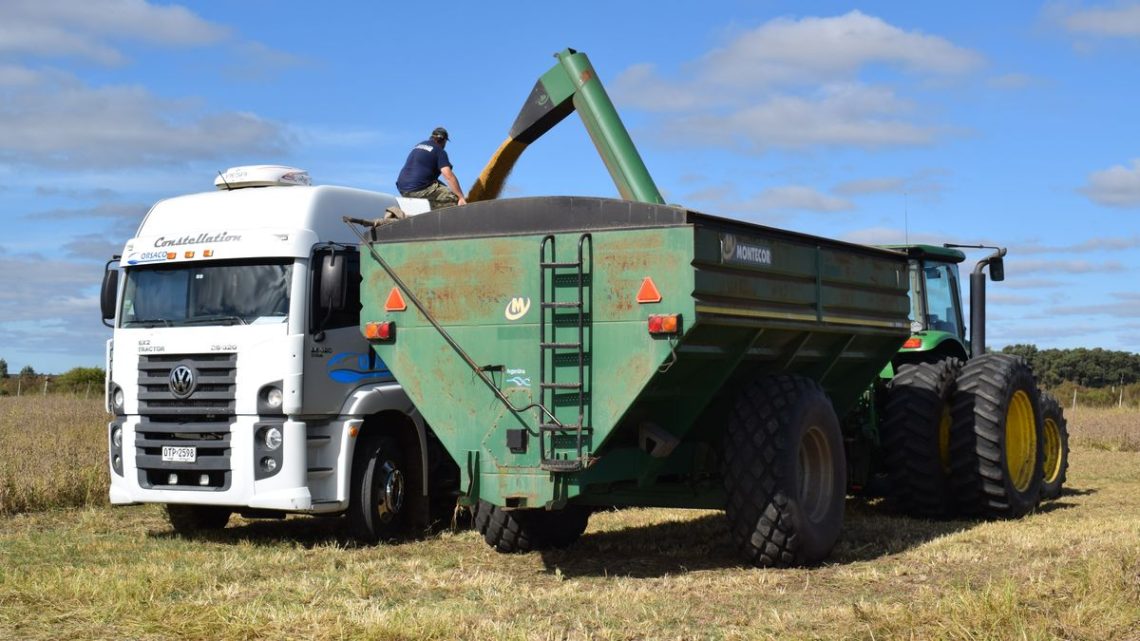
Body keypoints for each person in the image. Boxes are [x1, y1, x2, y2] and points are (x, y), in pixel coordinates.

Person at [395, 127, 466, 209]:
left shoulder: (419, 145)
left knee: (440, 185)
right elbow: (448, 176)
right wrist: (461, 197)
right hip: (418, 189)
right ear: (444, 141)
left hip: (402, 188)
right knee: (453, 198)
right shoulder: (439, 151)